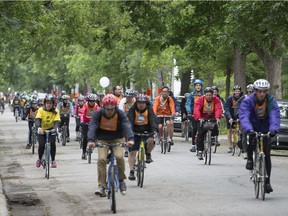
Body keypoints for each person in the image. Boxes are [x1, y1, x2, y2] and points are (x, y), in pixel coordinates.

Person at [87, 94, 134, 197]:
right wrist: (91, 140)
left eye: (111, 109)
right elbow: (93, 126)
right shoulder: (98, 113)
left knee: (119, 157)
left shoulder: (120, 113)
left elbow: (126, 125)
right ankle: (102, 186)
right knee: (102, 160)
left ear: (115, 107)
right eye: (107, 109)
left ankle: (121, 181)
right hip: (102, 139)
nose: (109, 111)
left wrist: (130, 139)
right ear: (103, 107)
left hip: (117, 138)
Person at [239, 79, 280, 194]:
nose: (262, 94)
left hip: (266, 127)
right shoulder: (248, 101)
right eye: (259, 91)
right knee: (250, 139)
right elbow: (244, 115)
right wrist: (248, 129)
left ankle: (267, 181)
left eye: (264, 91)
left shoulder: (270, 100)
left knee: (267, 154)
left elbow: (274, 115)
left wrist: (273, 130)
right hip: (252, 125)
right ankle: (250, 159)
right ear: (255, 91)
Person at [127, 94, 157, 180]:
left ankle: (148, 153)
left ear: (146, 103)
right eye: (139, 103)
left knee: (151, 140)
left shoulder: (149, 110)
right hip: (135, 132)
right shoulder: (132, 110)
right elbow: (129, 122)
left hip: (147, 131)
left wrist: (154, 131)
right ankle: (132, 171)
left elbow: (152, 121)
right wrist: (130, 132)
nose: (141, 105)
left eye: (143, 103)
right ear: (136, 103)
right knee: (132, 152)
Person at [193, 87, 222, 160]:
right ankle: (200, 150)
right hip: (202, 118)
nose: (208, 97)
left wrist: (218, 117)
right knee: (200, 133)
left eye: (210, 95)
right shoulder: (200, 100)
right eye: (207, 95)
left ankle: (212, 139)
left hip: (212, 117)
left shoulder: (216, 100)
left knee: (215, 128)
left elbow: (218, 108)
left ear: (212, 95)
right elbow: (196, 109)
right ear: (205, 95)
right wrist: (199, 118)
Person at [35, 96, 60, 168]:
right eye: (47, 103)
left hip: (51, 130)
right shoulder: (41, 110)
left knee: (52, 143)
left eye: (50, 103)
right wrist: (39, 128)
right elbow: (38, 120)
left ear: (53, 104)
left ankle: (53, 160)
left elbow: (57, 122)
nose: (48, 105)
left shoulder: (56, 111)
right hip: (42, 130)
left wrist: (55, 129)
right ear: (45, 103)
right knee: (42, 145)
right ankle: (39, 159)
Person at [234, 84, 254, 159]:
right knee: (244, 133)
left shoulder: (258, 98)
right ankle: (245, 151)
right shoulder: (244, 98)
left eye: (252, 91)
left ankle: (256, 148)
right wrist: (238, 114)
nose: (250, 93)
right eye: (249, 91)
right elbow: (237, 106)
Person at [186, 79, 204, 152]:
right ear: (195, 86)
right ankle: (193, 145)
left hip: (203, 113)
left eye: (199, 85)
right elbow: (188, 104)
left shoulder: (204, 94)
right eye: (197, 85)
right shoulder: (191, 95)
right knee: (195, 128)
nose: (198, 87)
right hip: (194, 114)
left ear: (201, 86)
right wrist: (189, 112)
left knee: (202, 129)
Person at [224, 85, 244, 153]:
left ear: (240, 91)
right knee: (229, 130)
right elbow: (226, 109)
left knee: (241, 129)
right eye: (236, 91)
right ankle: (230, 146)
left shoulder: (243, 98)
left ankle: (241, 143)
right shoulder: (230, 98)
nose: (237, 92)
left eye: (238, 91)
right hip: (231, 115)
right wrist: (229, 118)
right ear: (234, 92)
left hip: (239, 114)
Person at [80, 94, 100, 159]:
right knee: (85, 137)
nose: (91, 102)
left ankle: (93, 145)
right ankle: (83, 152)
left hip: (93, 123)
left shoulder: (96, 106)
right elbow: (82, 113)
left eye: (93, 101)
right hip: (85, 123)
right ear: (88, 101)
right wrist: (82, 121)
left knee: (95, 136)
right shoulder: (85, 105)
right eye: (90, 101)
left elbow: (99, 114)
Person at [119, 89, 136, 157]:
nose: (129, 99)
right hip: (125, 117)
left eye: (130, 97)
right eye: (128, 97)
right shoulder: (123, 101)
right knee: (125, 131)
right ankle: (126, 149)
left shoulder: (135, 101)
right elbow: (121, 112)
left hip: (133, 117)